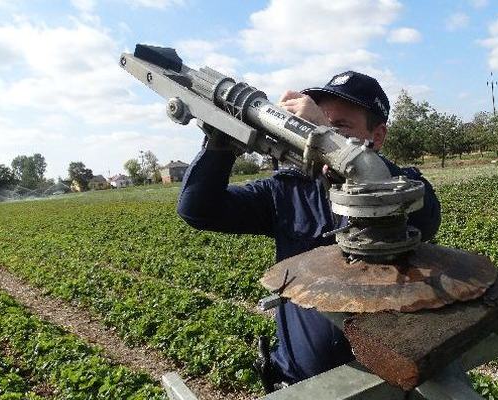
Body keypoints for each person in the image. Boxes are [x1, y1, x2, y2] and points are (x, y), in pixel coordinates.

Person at [176, 70, 441, 388]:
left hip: (383, 385)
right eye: (314, 125)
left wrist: (333, 141)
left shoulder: (401, 189)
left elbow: (426, 219)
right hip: (300, 384)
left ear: (378, 136)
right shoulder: (286, 191)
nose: (318, 135)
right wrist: (220, 142)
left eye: (340, 126)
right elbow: (198, 210)